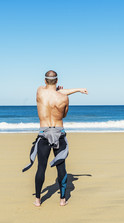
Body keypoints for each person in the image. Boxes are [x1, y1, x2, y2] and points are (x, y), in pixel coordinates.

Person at [22, 70, 88, 207]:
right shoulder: (64, 98)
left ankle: (38, 200)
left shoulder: (40, 91)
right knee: (61, 166)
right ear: (57, 81)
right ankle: (63, 200)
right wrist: (78, 90)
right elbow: (64, 115)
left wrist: (69, 90)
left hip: (44, 133)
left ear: (45, 81)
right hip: (59, 133)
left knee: (41, 167)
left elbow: (50, 90)